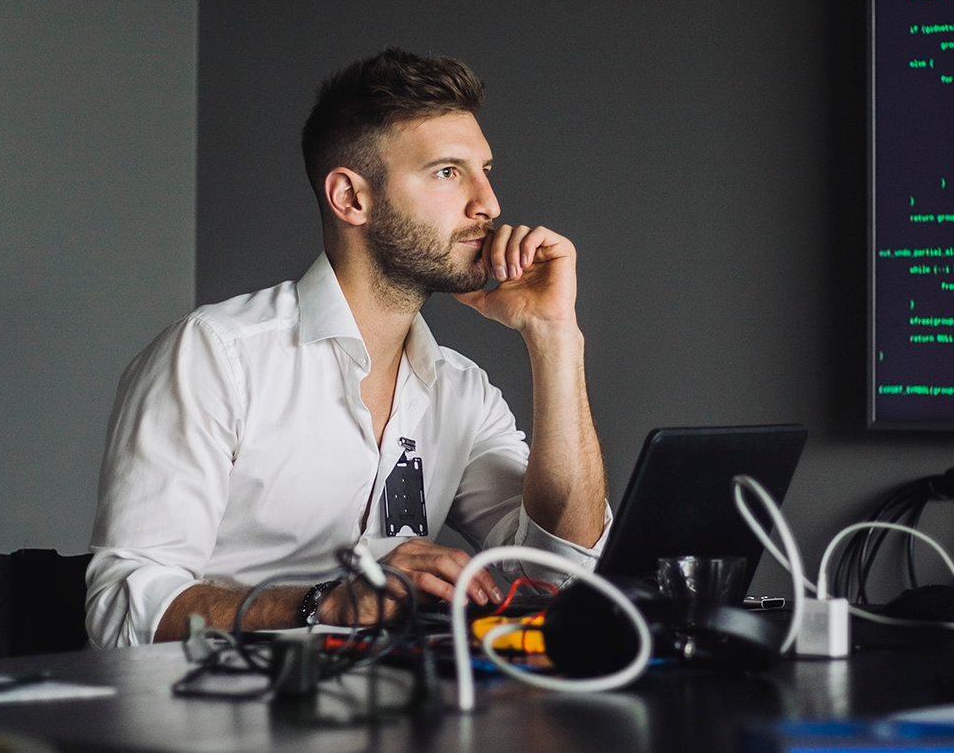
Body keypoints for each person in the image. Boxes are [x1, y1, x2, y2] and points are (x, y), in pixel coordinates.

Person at [85, 48, 611, 648]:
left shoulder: (462, 393)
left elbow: (561, 576)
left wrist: (555, 337)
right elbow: (122, 613)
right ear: (350, 198)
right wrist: (325, 603)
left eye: (485, 170)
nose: (488, 204)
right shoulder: (216, 357)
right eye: (447, 172)